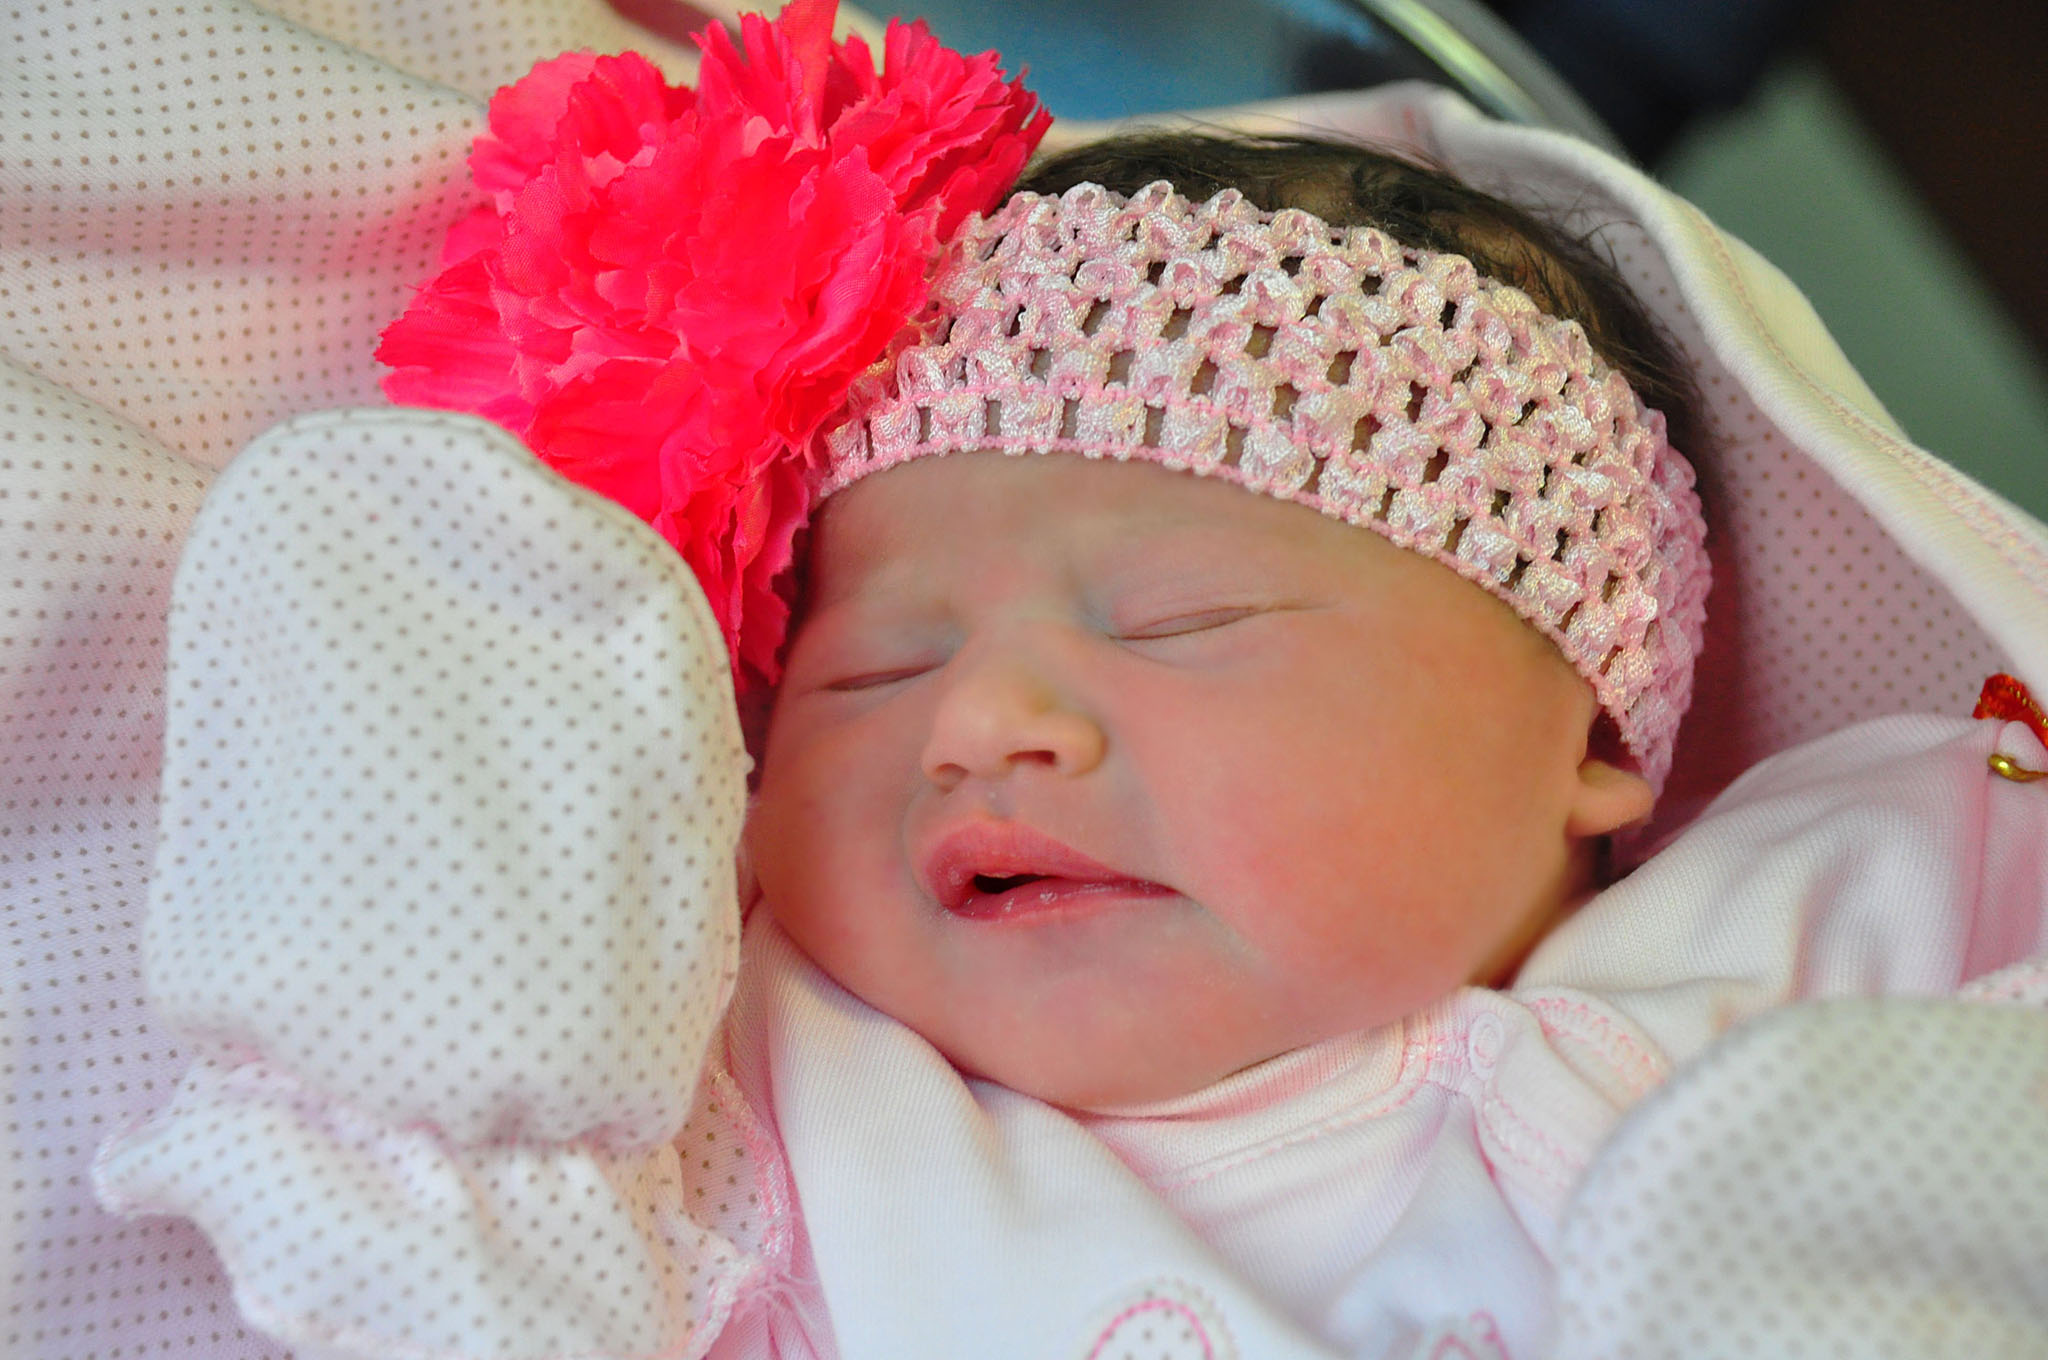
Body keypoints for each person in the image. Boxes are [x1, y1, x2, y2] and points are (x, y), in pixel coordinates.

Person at [83, 4, 2048, 1358]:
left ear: (1595, 733)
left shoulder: (1824, 912)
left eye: (1180, 621)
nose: (976, 722)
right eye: (872, 665)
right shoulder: (806, 1111)